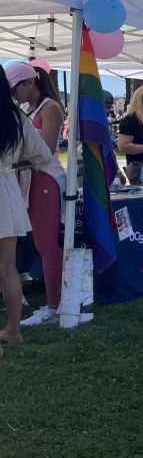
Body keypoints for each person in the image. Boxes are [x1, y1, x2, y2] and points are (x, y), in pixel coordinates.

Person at [6, 63, 67, 327]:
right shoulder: (25, 110)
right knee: (32, 241)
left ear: (29, 83)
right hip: (28, 179)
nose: (13, 95)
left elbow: (47, 149)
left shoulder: (50, 107)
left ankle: (54, 304)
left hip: (46, 179)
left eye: (14, 89)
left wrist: (12, 158)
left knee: (46, 244)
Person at [0, 65, 52, 344]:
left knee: (7, 267)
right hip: (6, 189)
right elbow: (43, 155)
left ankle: (12, 330)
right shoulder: (15, 117)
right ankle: (13, 330)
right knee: (7, 266)